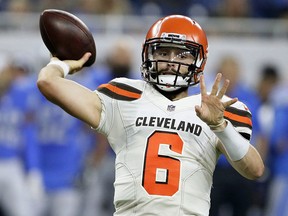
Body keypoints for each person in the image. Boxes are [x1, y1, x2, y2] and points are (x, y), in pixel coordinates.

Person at [37, 15, 264, 216]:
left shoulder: (215, 109)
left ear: (198, 61)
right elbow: (48, 82)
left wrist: (220, 126)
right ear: (148, 54)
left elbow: (255, 170)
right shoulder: (124, 97)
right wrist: (61, 64)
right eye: (163, 52)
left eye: (182, 55)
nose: (171, 61)